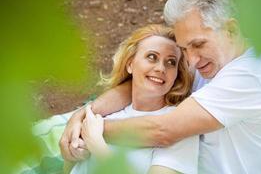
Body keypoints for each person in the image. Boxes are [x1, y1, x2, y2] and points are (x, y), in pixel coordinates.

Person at [60, 0, 261, 173]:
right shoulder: (212, 58)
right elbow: (144, 80)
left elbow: (163, 131)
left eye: (198, 45)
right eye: (185, 49)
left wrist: (92, 130)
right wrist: (82, 114)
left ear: (230, 30)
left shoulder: (253, 75)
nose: (191, 61)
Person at [67, 24, 199, 174]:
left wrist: (98, 147)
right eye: (152, 57)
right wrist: (73, 154)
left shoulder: (180, 125)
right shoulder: (102, 112)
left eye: (171, 62)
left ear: (176, 74)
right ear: (130, 64)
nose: (161, 68)